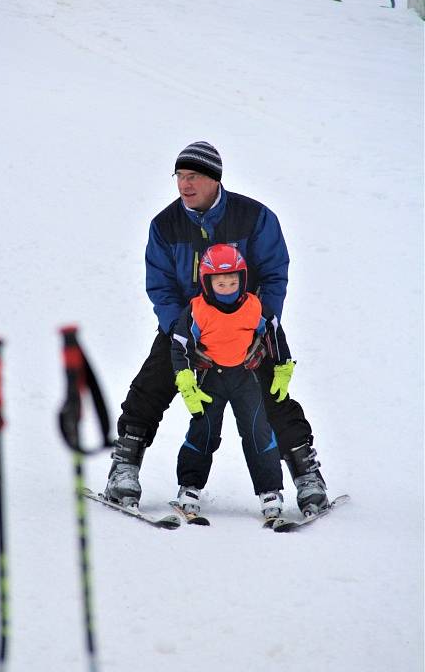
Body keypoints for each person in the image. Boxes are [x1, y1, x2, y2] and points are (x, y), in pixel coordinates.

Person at [104, 141, 328, 514]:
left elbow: (274, 274)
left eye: (193, 177)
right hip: (187, 329)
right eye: (180, 176)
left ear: (213, 179)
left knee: (274, 394)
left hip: (246, 329)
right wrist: (184, 333)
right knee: (152, 385)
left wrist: (261, 326)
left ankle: (307, 473)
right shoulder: (164, 225)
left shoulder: (254, 217)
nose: (184, 185)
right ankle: (124, 466)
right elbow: (160, 286)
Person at [171, 243, 284, 520]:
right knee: (204, 431)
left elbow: (275, 334)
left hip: (245, 378)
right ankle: (190, 486)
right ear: (208, 283)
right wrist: (186, 380)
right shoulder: (197, 310)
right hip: (211, 380)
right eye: (220, 283)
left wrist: (283, 368)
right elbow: (179, 345)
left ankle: (270, 490)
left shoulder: (253, 306)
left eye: (233, 282)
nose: (227, 288)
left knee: (258, 432)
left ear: (242, 280)